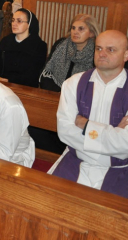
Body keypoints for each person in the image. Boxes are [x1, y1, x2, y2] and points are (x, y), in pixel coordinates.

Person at [48, 30, 128, 198]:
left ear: (126, 55)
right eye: (98, 48)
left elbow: (125, 145)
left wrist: (85, 125)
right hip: (76, 162)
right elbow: (65, 133)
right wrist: (113, 135)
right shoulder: (73, 84)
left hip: (119, 170)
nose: (102, 54)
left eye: (111, 49)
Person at [40, 14, 100, 92]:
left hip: (81, 96)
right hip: (54, 92)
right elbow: (46, 75)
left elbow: (96, 84)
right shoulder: (61, 44)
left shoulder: (97, 52)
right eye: (73, 28)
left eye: (81, 29)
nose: (75, 32)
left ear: (91, 33)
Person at [0, 8, 47, 88]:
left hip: (25, 88)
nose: (14, 24)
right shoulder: (6, 41)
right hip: (1, 85)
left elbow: (32, 75)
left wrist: (9, 80)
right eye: (13, 20)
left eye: (19, 21)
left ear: (29, 24)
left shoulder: (39, 46)